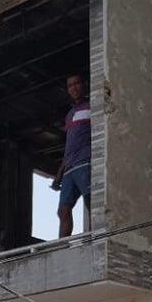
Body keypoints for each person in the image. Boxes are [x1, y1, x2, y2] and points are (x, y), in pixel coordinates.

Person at [51, 74, 91, 238]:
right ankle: (62, 246)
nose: (74, 88)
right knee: (63, 210)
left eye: (77, 83)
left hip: (85, 162)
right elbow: (69, 146)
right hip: (69, 168)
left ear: (84, 85)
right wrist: (58, 174)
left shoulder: (92, 105)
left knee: (91, 202)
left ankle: (95, 237)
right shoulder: (69, 114)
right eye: (70, 85)